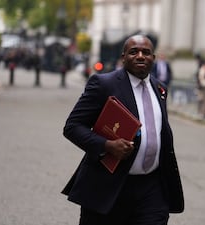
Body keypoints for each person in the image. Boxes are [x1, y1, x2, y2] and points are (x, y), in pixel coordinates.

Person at [62, 34, 184, 225]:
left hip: (152, 190)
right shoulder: (103, 84)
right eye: (134, 52)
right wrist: (107, 145)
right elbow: (72, 127)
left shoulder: (160, 89)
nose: (141, 56)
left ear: (153, 57)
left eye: (146, 52)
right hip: (109, 187)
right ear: (123, 56)